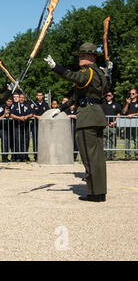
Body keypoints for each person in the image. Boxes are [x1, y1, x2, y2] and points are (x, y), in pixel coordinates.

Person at [45, 42, 109, 202]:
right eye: (80, 54)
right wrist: (62, 108)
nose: (80, 57)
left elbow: (73, 76)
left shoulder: (87, 72)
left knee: (89, 157)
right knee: (98, 158)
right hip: (97, 115)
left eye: (83, 55)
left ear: (92, 57)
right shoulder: (100, 73)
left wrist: (56, 67)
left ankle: (95, 193)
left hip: (87, 116)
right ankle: (100, 192)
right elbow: (77, 96)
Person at [10, 93, 33, 162]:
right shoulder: (15, 105)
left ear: (24, 98)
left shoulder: (28, 105)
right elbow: (12, 114)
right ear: (18, 98)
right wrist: (19, 118)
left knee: (25, 141)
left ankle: (25, 156)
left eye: (23, 97)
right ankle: (18, 156)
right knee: (18, 141)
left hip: (26, 126)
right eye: (20, 97)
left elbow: (31, 113)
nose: (22, 99)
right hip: (17, 126)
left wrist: (26, 117)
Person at [101, 91, 121, 160]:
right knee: (104, 141)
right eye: (106, 95)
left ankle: (113, 155)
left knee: (112, 140)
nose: (107, 97)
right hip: (105, 125)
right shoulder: (103, 105)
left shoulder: (116, 105)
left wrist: (114, 122)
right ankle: (105, 156)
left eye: (109, 95)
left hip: (113, 125)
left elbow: (118, 114)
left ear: (112, 96)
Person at [30, 91, 49, 160]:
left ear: (43, 96)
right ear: (36, 96)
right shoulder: (33, 104)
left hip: (44, 125)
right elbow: (31, 113)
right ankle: (36, 155)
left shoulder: (46, 104)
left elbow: (47, 113)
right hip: (35, 124)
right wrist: (36, 116)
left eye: (41, 95)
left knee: (44, 140)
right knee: (35, 140)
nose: (39, 97)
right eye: (38, 95)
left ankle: (44, 155)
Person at [122, 89, 138, 160]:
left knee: (136, 139)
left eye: (133, 93)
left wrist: (133, 115)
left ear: (136, 94)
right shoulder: (127, 102)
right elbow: (124, 112)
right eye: (130, 93)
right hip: (128, 124)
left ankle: (137, 155)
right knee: (127, 139)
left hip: (136, 123)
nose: (131, 95)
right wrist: (127, 104)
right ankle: (127, 155)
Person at [0, 97, 14, 162]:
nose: (9, 103)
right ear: (6, 101)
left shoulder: (13, 107)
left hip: (11, 127)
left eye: (11, 101)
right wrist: (4, 114)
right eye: (8, 101)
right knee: (5, 141)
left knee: (11, 142)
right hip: (3, 127)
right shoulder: (2, 107)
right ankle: (4, 157)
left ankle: (12, 157)